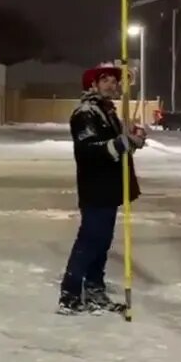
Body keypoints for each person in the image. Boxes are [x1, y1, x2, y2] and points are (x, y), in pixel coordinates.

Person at [58, 62, 147, 314]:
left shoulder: (106, 111)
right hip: (95, 188)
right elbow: (89, 150)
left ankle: (95, 289)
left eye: (113, 80)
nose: (111, 84)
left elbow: (117, 146)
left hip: (109, 189)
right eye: (105, 80)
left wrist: (133, 140)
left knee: (102, 243)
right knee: (89, 241)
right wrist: (120, 143)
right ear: (92, 85)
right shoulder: (85, 113)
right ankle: (70, 294)